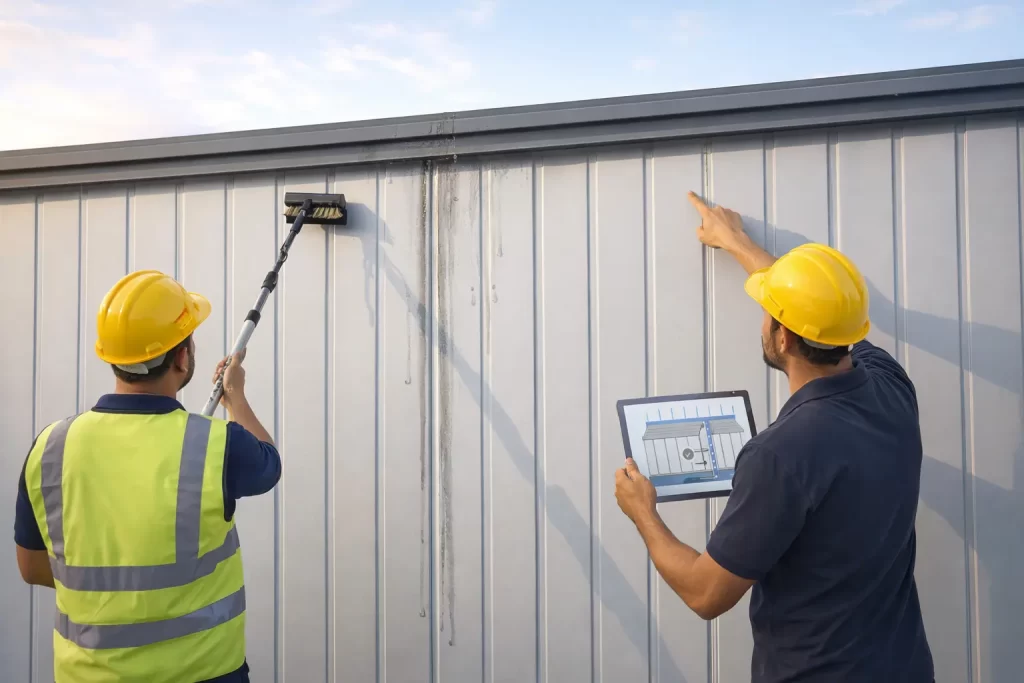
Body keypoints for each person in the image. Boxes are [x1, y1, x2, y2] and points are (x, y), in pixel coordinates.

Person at [614, 193, 935, 682]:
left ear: (781, 338)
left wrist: (643, 513)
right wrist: (738, 243)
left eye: (768, 310)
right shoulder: (891, 386)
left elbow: (706, 595)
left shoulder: (780, 455)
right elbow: (825, 316)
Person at [14, 269, 281, 683]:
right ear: (181, 357)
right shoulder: (217, 445)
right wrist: (235, 395)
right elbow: (269, 463)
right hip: (203, 673)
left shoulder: (50, 447)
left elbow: (31, 568)